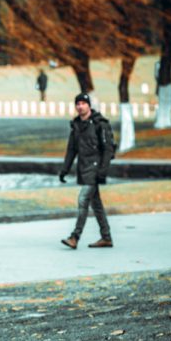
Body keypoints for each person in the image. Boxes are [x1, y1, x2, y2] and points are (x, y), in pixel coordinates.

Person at [59, 93, 115, 249]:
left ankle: (75, 237)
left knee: (83, 199)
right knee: (96, 204)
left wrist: (102, 171)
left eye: (83, 103)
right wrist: (64, 170)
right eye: (78, 103)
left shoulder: (99, 124)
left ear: (89, 105)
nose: (80, 106)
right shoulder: (76, 125)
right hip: (84, 169)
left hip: (96, 169)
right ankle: (106, 237)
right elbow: (71, 150)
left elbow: (108, 149)